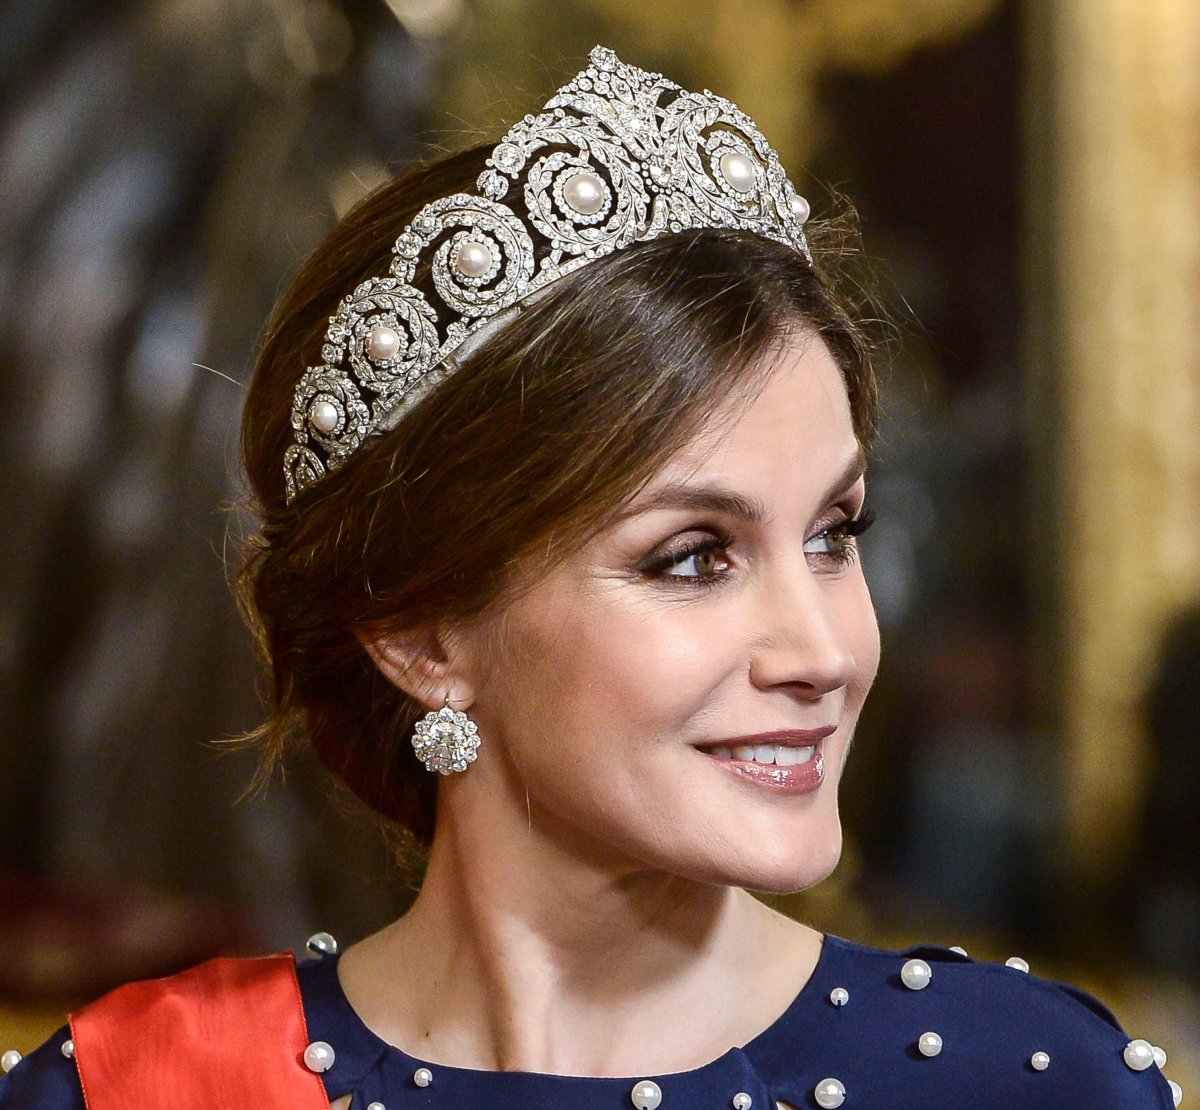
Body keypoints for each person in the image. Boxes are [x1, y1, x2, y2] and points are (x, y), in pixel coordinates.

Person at [0, 46, 1181, 1110]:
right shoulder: (149, 1089)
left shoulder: (1025, 1088)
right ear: (421, 634)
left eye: (833, 535)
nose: (823, 650)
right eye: (694, 558)